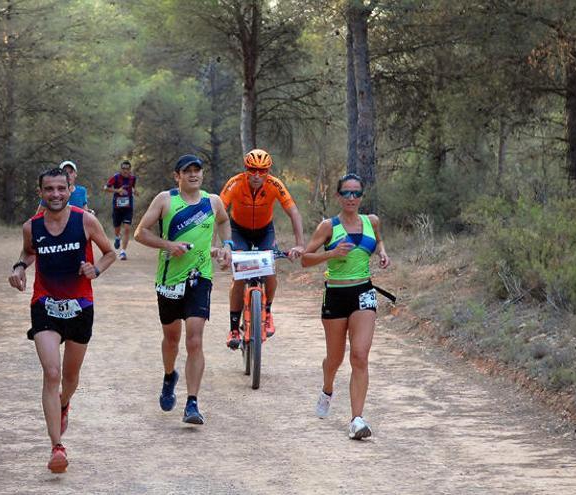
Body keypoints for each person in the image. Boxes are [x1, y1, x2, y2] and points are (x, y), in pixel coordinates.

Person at [8, 167, 116, 472]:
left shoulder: (85, 220)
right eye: (49, 189)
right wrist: (19, 268)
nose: (55, 194)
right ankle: (57, 447)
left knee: (69, 378)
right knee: (52, 372)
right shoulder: (32, 226)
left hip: (81, 306)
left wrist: (97, 270)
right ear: (41, 193)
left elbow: (109, 253)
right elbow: (29, 252)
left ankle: (64, 402)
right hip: (45, 305)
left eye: (60, 188)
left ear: (70, 190)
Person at [134, 154, 232, 425]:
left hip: (200, 278)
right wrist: (168, 245)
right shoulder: (165, 200)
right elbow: (140, 233)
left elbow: (224, 222)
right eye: (186, 171)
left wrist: (227, 247)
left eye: (197, 170)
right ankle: (169, 375)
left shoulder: (212, 202)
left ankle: (192, 402)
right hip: (169, 280)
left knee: (195, 339)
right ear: (177, 176)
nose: (193, 175)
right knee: (172, 339)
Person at [300, 173, 391, 440]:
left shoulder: (371, 221)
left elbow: (378, 239)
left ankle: (357, 419)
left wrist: (383, 252)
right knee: (336, 358)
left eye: (357, 193)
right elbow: (305, 259)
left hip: (363, 291)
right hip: (336, 294)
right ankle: (327, 387)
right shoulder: (328, 227)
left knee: (360, 356)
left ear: (362, 196)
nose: (352, 198)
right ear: (338, 196)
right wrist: (331, 253)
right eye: (346, 193)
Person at [219, 149, 305, 350]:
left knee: (270, 270)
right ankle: (233, 328)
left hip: (265, 231)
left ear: (268, 171)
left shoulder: (275, 184)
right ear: (245, 169)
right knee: (239, 277)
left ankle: (266, 311)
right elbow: (219, 212)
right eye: (252, 170)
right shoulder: (235, 183)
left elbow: (293, 212)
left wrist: (300, 243)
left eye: (262, 170)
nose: (257, 175)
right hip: (238, 230)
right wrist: (221, 246)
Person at [103, 160, 137, 260]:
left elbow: (133, 188)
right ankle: (117, 237)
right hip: (117, 208)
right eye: (123, 168)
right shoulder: (116, 177)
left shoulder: (133, 178)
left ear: (130, 169)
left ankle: (123, 252)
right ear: (121, 169)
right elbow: (105, 188)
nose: (125, 171)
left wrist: (135, 192)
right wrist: (117, 190)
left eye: (127, 169)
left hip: (128, 207)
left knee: (127, 228)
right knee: (117, 228)